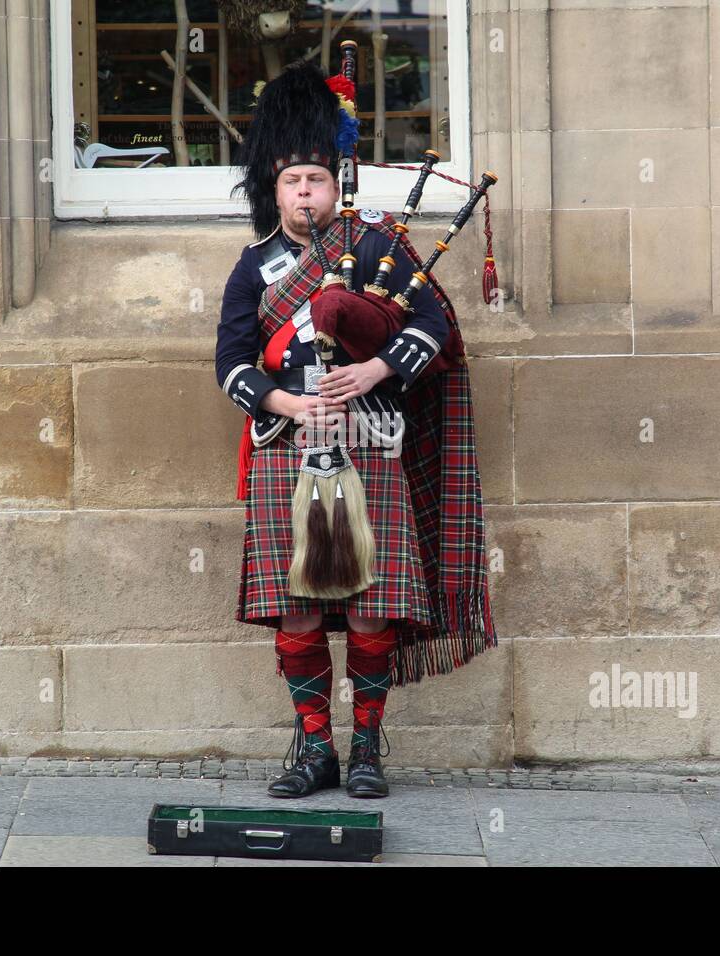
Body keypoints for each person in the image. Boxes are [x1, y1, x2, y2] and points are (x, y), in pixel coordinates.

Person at [215, 59, 497, 799]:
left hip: (372, 444)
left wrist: (376, 372)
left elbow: (435, 326)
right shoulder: (253, 269)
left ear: (335, 183)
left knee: (375, 607)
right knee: (296, 609)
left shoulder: (378, 245)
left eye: (314, 180)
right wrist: (284, 405)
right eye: (290, 182)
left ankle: (367, 745)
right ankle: (316, 751)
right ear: (270, 191)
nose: (304, 193)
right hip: (289, 453)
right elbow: (233, 365)